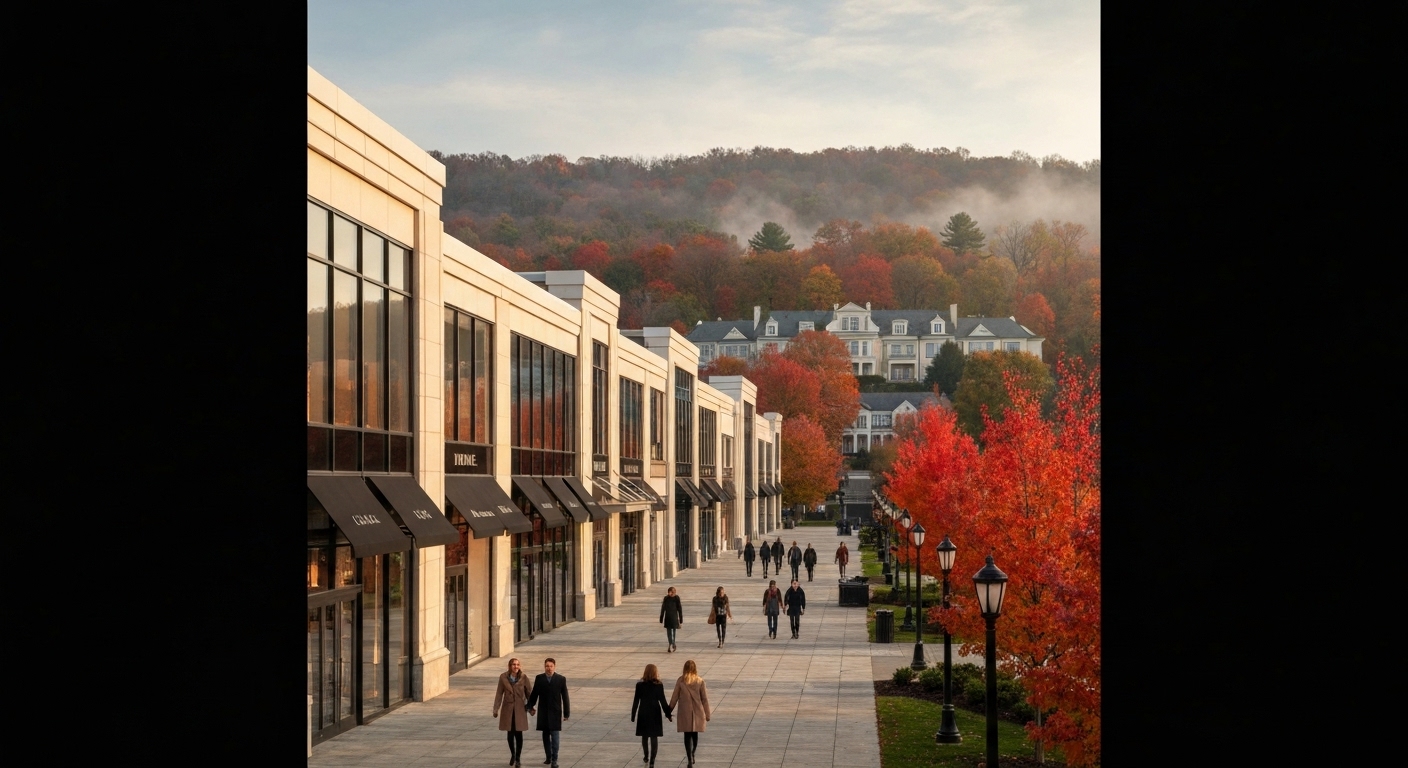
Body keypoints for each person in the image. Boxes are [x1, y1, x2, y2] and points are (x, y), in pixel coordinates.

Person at [525, 657, 570, 768]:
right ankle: (548, 757)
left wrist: (566, 713)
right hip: (543, 712)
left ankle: (555, 759)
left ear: (554, 667)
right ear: (544, 667)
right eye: (547, 666)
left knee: (555, 737)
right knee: (545, 736)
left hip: (555, 712)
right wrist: (529, 706)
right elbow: (534, 694)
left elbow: (565, 697)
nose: (549, 668)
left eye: (551, 666)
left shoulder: (560, 679)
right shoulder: (539, 679)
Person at [668, 659, 711, 767]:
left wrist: (669, 710)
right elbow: (704, 699)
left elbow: (674, 697)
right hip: (697, 711)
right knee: (695, 734)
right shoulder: (700, 681)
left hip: (684, 711)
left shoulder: (681, 681)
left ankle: (689, 758)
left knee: (687, 735)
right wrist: (707, 714)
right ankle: (693, 753)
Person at [493, 657, 533, 767]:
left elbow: (529, 693)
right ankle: (513, 754)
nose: (516, 666)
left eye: (518, 664)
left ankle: (518, 759)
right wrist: (496, 709)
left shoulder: (524, 677)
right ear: (510, 666)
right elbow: (499, 694)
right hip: (508, 709)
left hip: (520, 709)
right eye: (514, 664)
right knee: (510, 734)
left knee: (519, 733)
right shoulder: (503, 677)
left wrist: (531, 707)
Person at [631, 663, 673, 767]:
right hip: (655, 712)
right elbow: (663, 701)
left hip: (643, 712)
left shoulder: (639, 685)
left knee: (644, 736)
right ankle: (652, 761)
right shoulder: (659, 685)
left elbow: (636, 701)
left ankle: (646, 756)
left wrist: (633, 715)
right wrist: (668, 714)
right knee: (654, 736)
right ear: (655, 672)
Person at [660, 586, 683, 653]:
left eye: (672, 592)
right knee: (669, 632)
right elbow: (663, 608)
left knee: (673, 632)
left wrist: (681, 618)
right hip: (667, 617)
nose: (670, 593)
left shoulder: (676, 598)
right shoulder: (666, 598)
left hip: (674, 617)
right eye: (669, 592)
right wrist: (661, 617)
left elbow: (679, 609)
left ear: (674, 592)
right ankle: (671, 644)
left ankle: (672, 643)